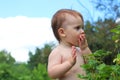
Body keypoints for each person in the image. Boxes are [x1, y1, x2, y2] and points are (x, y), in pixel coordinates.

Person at [47, 9, 91, 80]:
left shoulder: (80, 51)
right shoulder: (58, 52)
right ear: (62, 32)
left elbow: (92, 65)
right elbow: (52, 74)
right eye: (77, 28)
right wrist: (69, 63)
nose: (82, 31)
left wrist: (85, 48)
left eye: (82, 28)